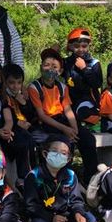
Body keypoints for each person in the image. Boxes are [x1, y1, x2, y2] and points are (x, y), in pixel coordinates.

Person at [28, 48, 98, 184]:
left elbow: (68, 110)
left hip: (62, 119)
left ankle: (91, 178)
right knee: (62, 141)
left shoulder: (62, 87)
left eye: (54, 66)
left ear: (60, 71)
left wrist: (75, 129)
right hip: (46, 123)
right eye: (46, 65)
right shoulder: (34, 87)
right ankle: (60, 179)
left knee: (87, 138)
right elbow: (41, 115)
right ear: (41, 67)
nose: (50, 69)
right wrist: (66, 130)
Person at [24, 138, 99, 222]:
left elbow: (76, 200)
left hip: (66, 215)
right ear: (45, 154)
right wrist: (51, 218)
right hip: (44, 216)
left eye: (63, 153)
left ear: (68, 159)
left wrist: (78, 212)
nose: (58, 155)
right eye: (54, 151)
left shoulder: (70, 175)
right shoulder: (33, 176)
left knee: (90, 218)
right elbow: (31, 205)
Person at [3, 63, 38, 177]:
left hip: (26, 127)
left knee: (33, 140)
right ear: (5, 82)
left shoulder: (21, 96)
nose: (15, 86)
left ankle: (35, 172)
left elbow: (32, 114)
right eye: (11, 83)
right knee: (25, 141)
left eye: (19, 83)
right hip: (12, 129)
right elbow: (6, 116)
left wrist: (23, 103)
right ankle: (25, 176)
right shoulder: (3, 97)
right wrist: (18, 124)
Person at [62, 28, 102, 125]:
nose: (80, 49)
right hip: (70, 100)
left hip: (88, 99)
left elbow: (97, 84)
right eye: (76, 46)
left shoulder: (94, 63)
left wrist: (84, 69)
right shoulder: (66, 62)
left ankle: (93, 122)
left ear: (89, 46)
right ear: (70, 46)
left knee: (83, 112)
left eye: (84, 46)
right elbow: (50, 65)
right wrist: (53, 51)